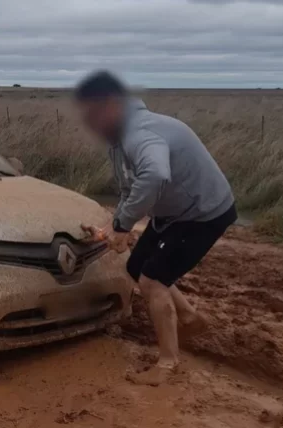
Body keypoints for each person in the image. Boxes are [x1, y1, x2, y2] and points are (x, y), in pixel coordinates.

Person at [75, 71, 237, 386]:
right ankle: (189, 317)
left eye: (94, 114)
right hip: (175, 213)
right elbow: (130, 190)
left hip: (202, 213)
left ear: (112, 105)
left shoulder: (140, 132)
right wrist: (111, 227)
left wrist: (123, 225)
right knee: (137, 266)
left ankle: (168, 364)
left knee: (152, 281)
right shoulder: (120, 140)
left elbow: (154, 176)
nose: (90, 123)